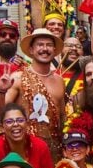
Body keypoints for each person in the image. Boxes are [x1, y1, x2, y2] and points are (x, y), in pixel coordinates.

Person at [5, 28, 66, 157]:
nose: (45, 49)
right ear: (31, 50)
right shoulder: (17, 78)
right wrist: (0, 91)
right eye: (40, 45)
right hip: (24, 150)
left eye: (49, 45)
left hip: (54, 151)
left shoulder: (59, 81)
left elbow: (62, 119)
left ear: (54, 51)